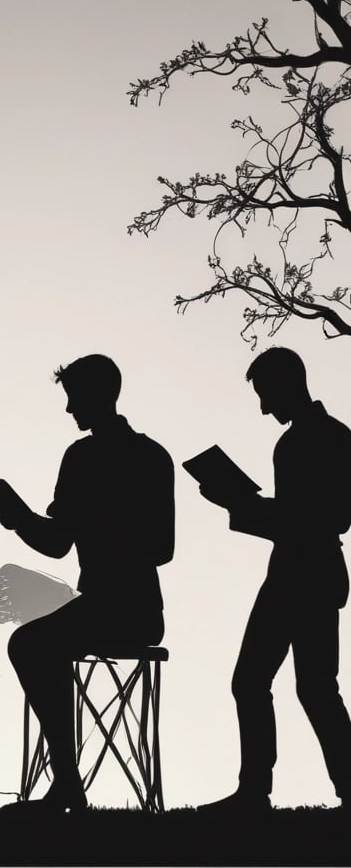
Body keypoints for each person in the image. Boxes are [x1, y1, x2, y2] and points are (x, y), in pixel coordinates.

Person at [0, 354, 174, 812]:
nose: (70, 408)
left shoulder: (145, 458)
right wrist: (20, 520)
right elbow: (57, 543)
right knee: (33, 643)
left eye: (75, 398)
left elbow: (162, 547)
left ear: (99, 395)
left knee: (30, 645)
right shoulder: (87, 457)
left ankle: (67, 782)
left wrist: (101, 521)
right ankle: (67, 782)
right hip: (99, 607)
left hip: (132, 611)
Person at [199, 347, 351, 812]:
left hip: (302, 575)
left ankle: (255, 792)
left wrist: (240, 505)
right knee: (303, 687)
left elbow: (327, 518)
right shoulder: (321, 438)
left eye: (266, 395)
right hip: (302, 573)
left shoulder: (320, 440)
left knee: (288, 685)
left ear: (288, 384)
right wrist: (244, 506)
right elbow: (304, 518)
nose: (265, 408)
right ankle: (258, 791)